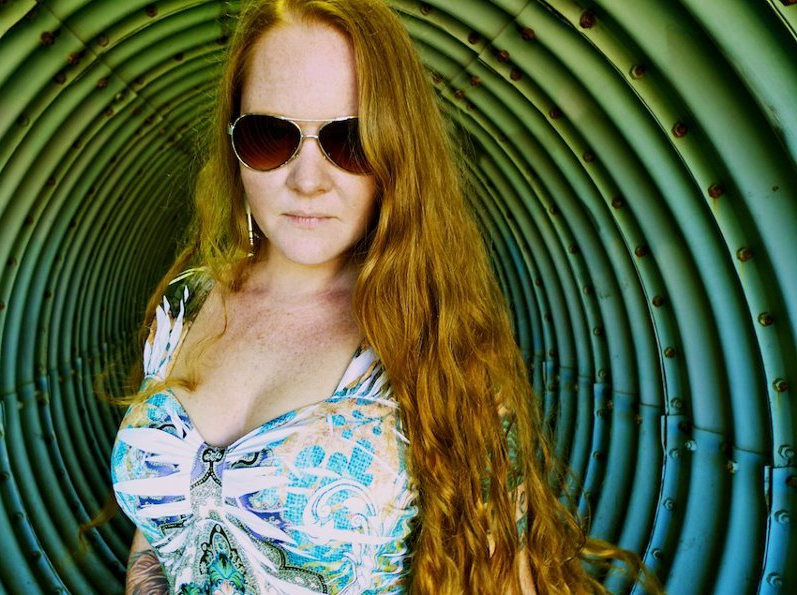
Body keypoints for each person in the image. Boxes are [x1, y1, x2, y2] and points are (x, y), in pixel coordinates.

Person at [107, 0, 656, 593]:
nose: (307, 180)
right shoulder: (185, 305)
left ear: (395, 149)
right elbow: (160, 528)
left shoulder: (436, 349)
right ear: (234, 144)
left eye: (350, 140)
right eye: (270, 136)